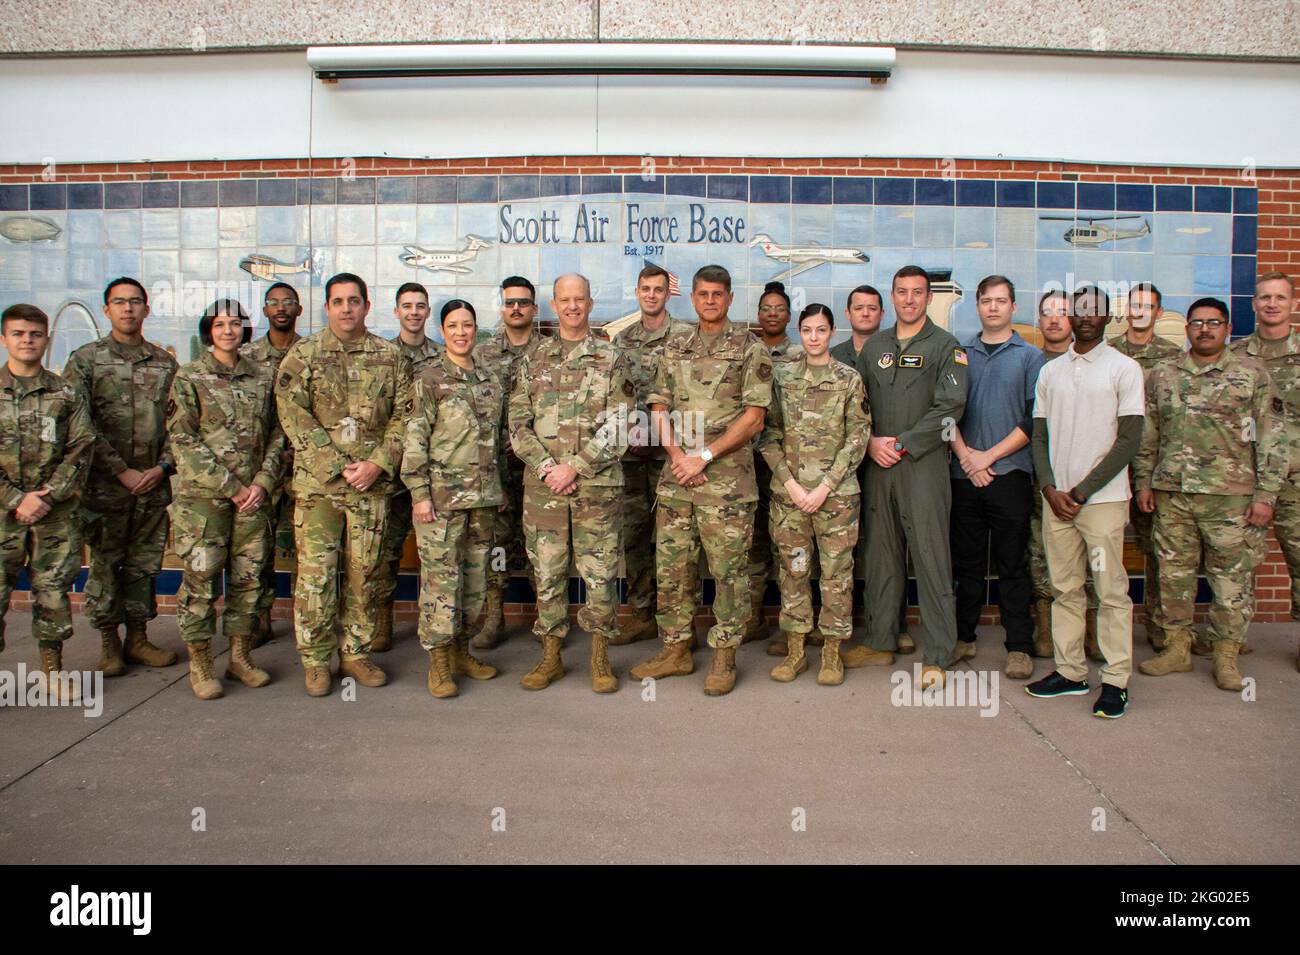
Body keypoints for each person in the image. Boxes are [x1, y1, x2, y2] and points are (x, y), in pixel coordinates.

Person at [631, 265, 773, 696]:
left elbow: (754, 417)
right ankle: (676, 649)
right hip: (678, 480)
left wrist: (704, 456)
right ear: (692, 299)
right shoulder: (674, 346)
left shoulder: (750, 348)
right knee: (674, 571)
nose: (710, 300)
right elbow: (658, 404)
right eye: (703, 294)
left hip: (726, 484)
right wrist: (678, 457)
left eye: (718, 294)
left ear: (730, 298)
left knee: (729, 572)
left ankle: (725, 657)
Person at [275, 272, 414, 697]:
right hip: (320, 489)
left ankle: (355, 651)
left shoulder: (390, 357)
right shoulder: (305, 355)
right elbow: (292, 414)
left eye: (355, 300)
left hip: (370, 488)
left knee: (363, 575)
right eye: (339, 301)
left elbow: (405, 417)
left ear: (367, 306)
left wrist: (378, 463)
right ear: (328, 307)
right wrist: (336, 464)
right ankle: (316, 660)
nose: (347, 308)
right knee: (316, 578)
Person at [1135, 297, 1284, 691]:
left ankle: (1226, 656)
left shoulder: (1252, 374)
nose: (1205, 329)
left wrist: (1266, 495)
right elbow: (1148, 434)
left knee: (1230, 584)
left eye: (1213, 323)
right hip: (1173, 495)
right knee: (1173, 577)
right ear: (1186, 329)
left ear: (1226, 327)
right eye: (1197, 323)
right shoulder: (1164, 375)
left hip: (1231, 498)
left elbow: (1272, 438)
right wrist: (1143, 482)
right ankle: (1176, 649)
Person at [507, 273, 631, 692]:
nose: (573, 306)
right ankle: (550, 657)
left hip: (596, 488)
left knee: (599, 574)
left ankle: (600, 657)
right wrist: (547, 468)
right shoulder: (532, 359)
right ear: (555, 306)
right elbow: (517, 423)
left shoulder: (612, 358)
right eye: (565, 300)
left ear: (591, 305)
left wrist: (575, 466)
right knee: (548, 573)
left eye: (580, 299)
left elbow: (622, 423)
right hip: (544, 490)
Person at [847, 265, 968, 689]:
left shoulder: (945, 347)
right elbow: (855, 405)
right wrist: (869, 443)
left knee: (931, 556)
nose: (910, 299)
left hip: (922, 467)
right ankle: (880, 641)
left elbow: (950, 408)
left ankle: (939, 651)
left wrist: (901, 444)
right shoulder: (874, 346)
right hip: (879, 467)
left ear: (928, 298)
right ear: (892, 297)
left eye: (918, 292)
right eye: (902, 292)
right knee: (880, 555)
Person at [1027, 285, 1144, 719]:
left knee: (1110, 591)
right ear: (1072, 317)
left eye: (1096, 310)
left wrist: (1080, 492)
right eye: (1080, 310)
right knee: (1065, 589)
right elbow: (1039, 436)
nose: (1087, 317)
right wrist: (1049, 489)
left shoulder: (1124, 369)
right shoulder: (1051, 372)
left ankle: (1115, 680)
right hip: (1057, 503)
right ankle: (1071, 672)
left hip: (1101, 503)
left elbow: (1128, 441)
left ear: (1108, 317)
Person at [167, 300, 287, 700]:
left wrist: (263, 483)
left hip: (253, 499)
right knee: (201, 582)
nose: (229, 331)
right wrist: (232, 487)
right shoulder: (190, 377)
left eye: (235, 323)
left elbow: (277, 434)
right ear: (209, 331)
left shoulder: (262, 376)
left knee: (248, 581)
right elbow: (183, 440)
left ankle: (240, 657)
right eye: (220, 325)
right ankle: (201, 663)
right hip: (205, 503)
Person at [64, 277, 179, 676]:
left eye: (135, 302)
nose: (128, 309)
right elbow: (79, 425)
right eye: (119, 302)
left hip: (152, 483)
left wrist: (161, 467)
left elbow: (179, 425)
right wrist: (120, 470)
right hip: (105, 485)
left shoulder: (164, 363)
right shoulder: (85, 360)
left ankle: (139, 637)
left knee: (144, 564)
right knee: (106, 562)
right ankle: (109, 643)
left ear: (147, 309)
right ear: (106, 309)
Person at [759, 303, 869, 686]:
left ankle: (832, 653)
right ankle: (795, 652)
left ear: (832, 332)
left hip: (835, 498)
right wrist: (791, 484)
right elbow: (767, 435)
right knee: (795, 570)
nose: (814, 337)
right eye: (807, 330)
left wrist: (824, 486)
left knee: (837, 575)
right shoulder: (782, 378)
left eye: (821, 330)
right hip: (790, 498)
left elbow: (858, 437)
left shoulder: (849, 379)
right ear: (800, 333)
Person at [402, 299, 505, 698]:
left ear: (476, 330)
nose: (461, 332)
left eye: (467, 325)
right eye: (453, 326)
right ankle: (440, 663)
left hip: (482, 499)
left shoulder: (489, 379)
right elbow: (414, 440)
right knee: (442, 583)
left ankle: (463, 651)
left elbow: (497, 441)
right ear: (442, 331)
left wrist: (501, 491)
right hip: (440, 502)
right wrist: (419, 494)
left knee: (477, 581)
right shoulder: (428, 379)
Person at [948, 276, 1046, 680]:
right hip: (962, 475)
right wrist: (967, 458)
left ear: (1012, 306)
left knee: (1012, 566)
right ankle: (963, 637)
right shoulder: (958, 354)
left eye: (1001, 301)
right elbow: (944, 413)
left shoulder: (1030, 357)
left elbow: (1033, 420)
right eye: (986, 300)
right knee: (966, 565)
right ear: (976, 305)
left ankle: (1019, 647)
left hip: (1010, 475)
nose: (993, 307)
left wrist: (987, 457)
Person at [0, 305, 95, 701]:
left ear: (46, 339)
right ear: (4, 339)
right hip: (4, 513)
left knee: (53, 592)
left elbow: (81, 447)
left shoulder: (65, 393)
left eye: (35, 334)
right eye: (19, 333)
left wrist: (47, 496)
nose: (27, 341)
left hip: (54, 515)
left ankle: (52, 672)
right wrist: (16, 499)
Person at [613, 264, 689, 646]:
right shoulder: (621, 340)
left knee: (674, 539)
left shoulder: (686, 338)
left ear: (667, 293)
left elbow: (691, 397)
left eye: (659, 289)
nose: (652, 295)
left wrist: (664, 438)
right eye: (646, 288)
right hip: (630, 454)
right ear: (638, 291)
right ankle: (642, 613)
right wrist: (631, 432)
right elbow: (613, 396)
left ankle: (676, 622)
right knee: (634, 535)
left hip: (671, 454)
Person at [1230, 272, 1299, 671]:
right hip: (1248, 478)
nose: (1271, 304)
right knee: (1238, 564)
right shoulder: (1238, 356)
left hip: (1297, 479)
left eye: (1280, 297)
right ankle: (1231, 639)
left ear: (1293, 304)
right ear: (1254, 305)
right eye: (1264, 298)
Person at [470, 276, 543, 649]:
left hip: (538, 466)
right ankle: (494, 617)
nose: (517, 308)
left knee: (539, 544)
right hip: (495, 466)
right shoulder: (482, 354)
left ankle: (545, 622)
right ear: (502, 308)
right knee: (496, 543)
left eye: (524, 302)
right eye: (510, 302)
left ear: (534, 309)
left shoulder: (548, 352)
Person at [1110, 282, 1182, 651]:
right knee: (1105, 552)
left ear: (1158, 312)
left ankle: (1159, 629)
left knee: (1156, 552)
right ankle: (1102, 631)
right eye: (1135, 305)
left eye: (1148, 306)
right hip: (1111, 469)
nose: (1141, 311)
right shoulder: (1108, 354)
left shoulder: (1173, 358)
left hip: (1153, 471)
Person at [374, 282, 443, 653]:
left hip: (431, 473)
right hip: (390, 470)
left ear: (428, 312)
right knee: (386, 547)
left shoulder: (441, 357)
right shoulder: (383, 355)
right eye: (407, 306)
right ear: (396, 312)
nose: (414, 312)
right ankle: (383, 620)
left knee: (435, 553)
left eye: (420, 306)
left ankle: (435, 628)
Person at [241, 282, 302, 647]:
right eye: (273, 303)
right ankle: (259, 617)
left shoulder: (310, 352)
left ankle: (304, 620)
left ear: (298, 309)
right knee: (256, 547)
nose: (280, 308)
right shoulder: (247, 355)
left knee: (307, 549)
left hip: (302, 467)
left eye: (288, 303)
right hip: (261, 470)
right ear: (265, 311)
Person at [746, 281, 802, 644]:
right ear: (758, 314)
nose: (772, 313)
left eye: (780, 308)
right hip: (747, 462)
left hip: (787, 465)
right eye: (766, 308)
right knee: (751, 543)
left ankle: (790, 626)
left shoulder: (800, 355)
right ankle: (751, 618)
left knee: (788, 546)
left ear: (789, 315)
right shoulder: (745, 352)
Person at [1026, 289, 1075, 658]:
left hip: (1084, 476)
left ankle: (1087, 630)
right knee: (1040, 550)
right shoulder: (1032, 362)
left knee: (1089, 555)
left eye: (1063, 312)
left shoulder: (1093, 361)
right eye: (1048, 313)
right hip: (1037, 474)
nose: (1055, 319)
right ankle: (1045, 625)